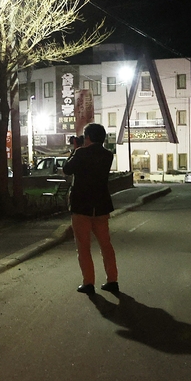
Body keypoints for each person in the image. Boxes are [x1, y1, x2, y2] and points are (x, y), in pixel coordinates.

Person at [62, 123, 118, 295]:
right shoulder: (108, 155)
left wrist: (75, 150)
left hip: (81, 206)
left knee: (83, 247)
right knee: (106, 245)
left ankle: (88, 282)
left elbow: (67, 169)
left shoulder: (81, 153)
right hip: (101, 206)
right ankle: (112, 280)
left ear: (87, 137)